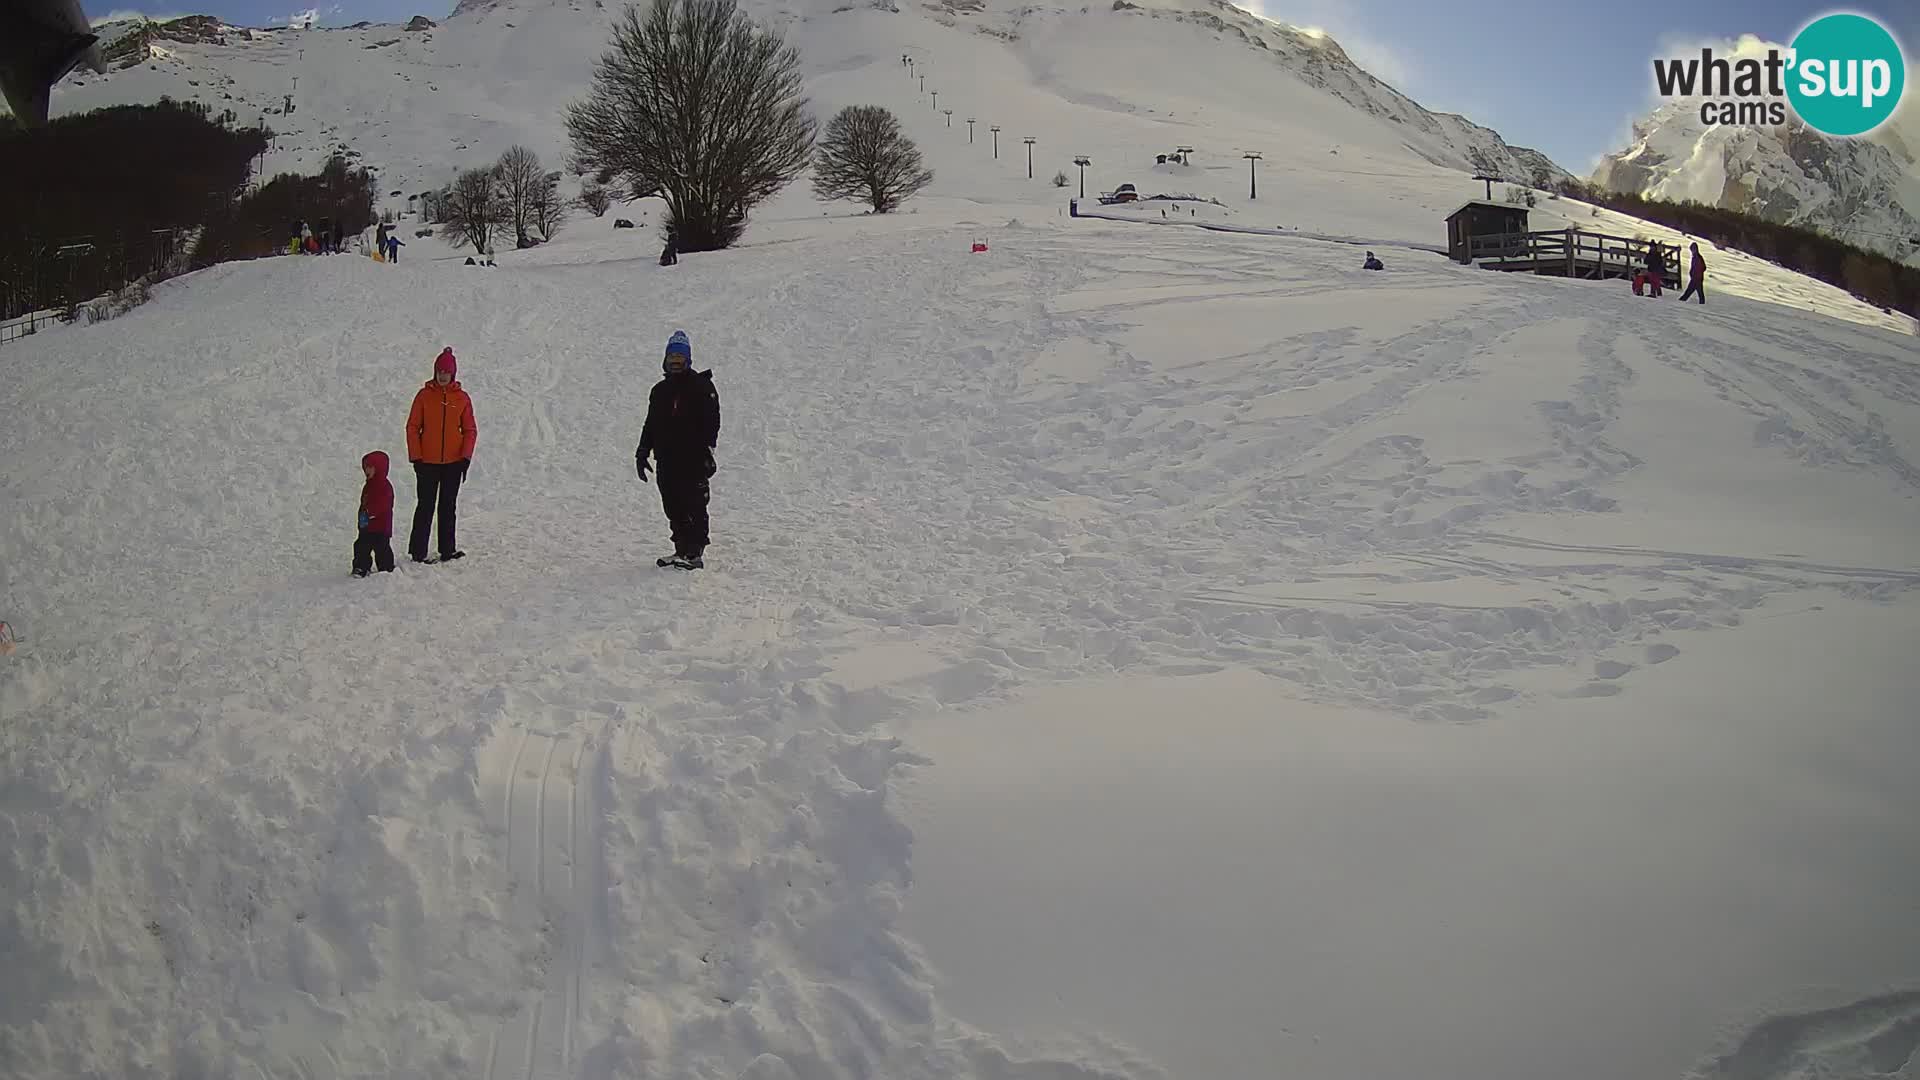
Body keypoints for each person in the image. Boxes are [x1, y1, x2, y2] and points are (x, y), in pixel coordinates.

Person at [636, 330, 719, 569]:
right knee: (672, 504)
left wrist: (707, 452)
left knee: (693, 503)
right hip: (666, 458)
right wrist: (643, 450)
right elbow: (651, 423)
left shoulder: (701, 387)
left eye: (679, 359)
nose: (675, 363)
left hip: (692, 458)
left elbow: (712, 422)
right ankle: (681, 548)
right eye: (671, 358)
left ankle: (694, 553)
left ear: (688, 360)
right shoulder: (659, 391)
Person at [405, 347, 477, 563]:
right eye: (439, 372)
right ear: (435, 372)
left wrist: (465, 457)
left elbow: (470, 430)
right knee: (425, 506)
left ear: (453, 374)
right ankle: (418, 553)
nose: (443, 376)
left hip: (454, 464)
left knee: (448, 506)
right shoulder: (424, 396)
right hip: (427, 463)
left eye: (446, 372)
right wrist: (416, 457)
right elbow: (412, 427)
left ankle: (448, 550)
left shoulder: (462, 398)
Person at [352, 450, 396, 577]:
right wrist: (361, 517)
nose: (367, 471)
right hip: (367, 526)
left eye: (370, 467)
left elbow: (383, 505)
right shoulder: (368, 486)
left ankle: (386, 568)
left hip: (381, 526)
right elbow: (364, 501)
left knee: (382, 548)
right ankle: (361, 567)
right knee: (361, 547)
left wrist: (370, 513)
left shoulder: (385, 486)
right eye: (366, 467)